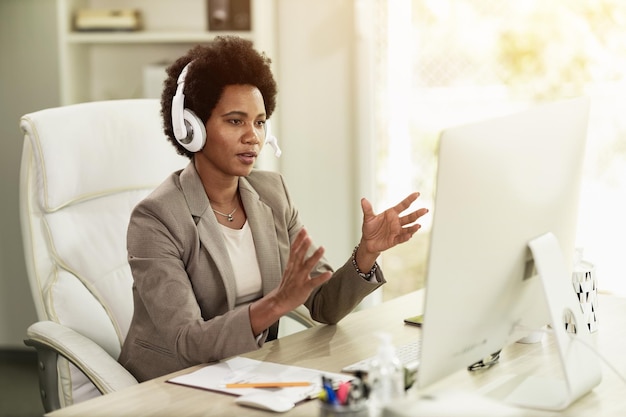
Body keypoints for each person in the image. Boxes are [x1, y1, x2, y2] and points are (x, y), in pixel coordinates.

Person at [118, 35, 429, 382]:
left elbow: (324, 305)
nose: (253, 136)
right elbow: (187, 341)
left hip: (249, 373)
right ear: (191, 129)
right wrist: (276, 305)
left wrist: (366, 253)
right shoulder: (156, 218)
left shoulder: (272, 194)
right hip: (172, 384)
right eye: (236, 121)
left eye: (260, 122)